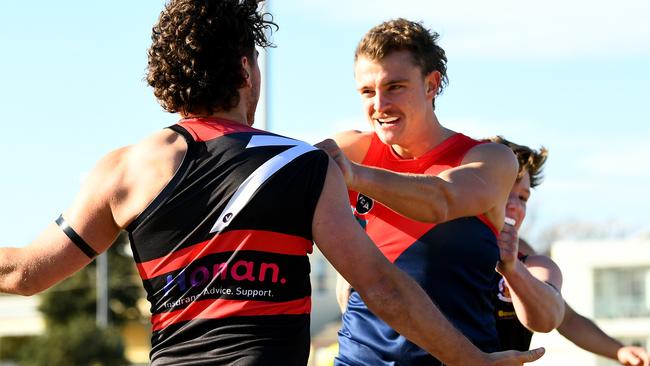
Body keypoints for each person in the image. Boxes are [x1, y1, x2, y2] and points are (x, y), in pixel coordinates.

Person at [0, 1, 545, 365]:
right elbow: (382, 288)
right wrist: (473, 361)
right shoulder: (301, 164)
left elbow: (24, 272)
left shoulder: (123, 168)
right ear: (246, 72)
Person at [317, 18, 526, 365]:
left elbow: (442, 199)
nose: (379, 105)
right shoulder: (351, 148)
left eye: (395, 86)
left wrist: (354, 176)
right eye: (367, 92)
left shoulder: (489, 159)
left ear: (432, 85)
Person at [491, 136, 650, 366]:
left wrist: (620, 350)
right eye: (506, 191)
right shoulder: (440, 247)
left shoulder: (527, 260)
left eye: (523, 197)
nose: (515, 205)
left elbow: (565, 318)